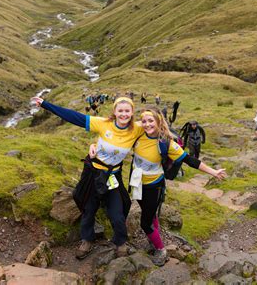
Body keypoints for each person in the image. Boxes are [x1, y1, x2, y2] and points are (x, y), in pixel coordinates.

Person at [89, 106, 227, 266]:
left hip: (154, 188)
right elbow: (115, 140)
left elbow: (190, 160)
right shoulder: (139, 136)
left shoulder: (167, 144)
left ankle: (161, 249)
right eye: (144, 121)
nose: (147, 124)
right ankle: (153, 239)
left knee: (145, 223)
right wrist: (94, 145)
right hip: (137, 183)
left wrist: (213, 172)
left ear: (159, 121)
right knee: (150, 214)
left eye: (150, 121)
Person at [32, 96, 145, 259]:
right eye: (120, 110)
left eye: (127, 111)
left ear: (132, 112)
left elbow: (155, 126)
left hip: (112, 176)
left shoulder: (137, 128)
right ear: (114, 111)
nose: (124, 114)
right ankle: (87, 240)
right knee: (88, 208)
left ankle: (120, 242)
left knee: (117, 212)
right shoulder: (102, 123)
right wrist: (45, 105)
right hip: (93, 173)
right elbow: (74, 117)